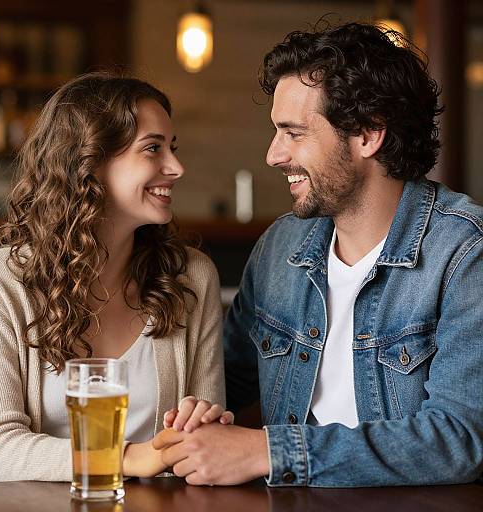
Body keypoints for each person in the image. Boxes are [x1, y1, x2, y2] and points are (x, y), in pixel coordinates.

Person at [153, 22, 483, 486]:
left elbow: (459, 441)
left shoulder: (465, 253)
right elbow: (226, 382)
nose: (273, 154)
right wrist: (196, 408)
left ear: (368, 134)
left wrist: (270, 451)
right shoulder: (281, 246)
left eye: (294, 133)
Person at [0, 72, 232, 483]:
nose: (176, 167)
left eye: (172, 148)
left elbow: (204, 445)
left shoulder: (191, 277)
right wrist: (128, 458)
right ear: (90, 162)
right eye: (153, 149)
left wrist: (206, 427)